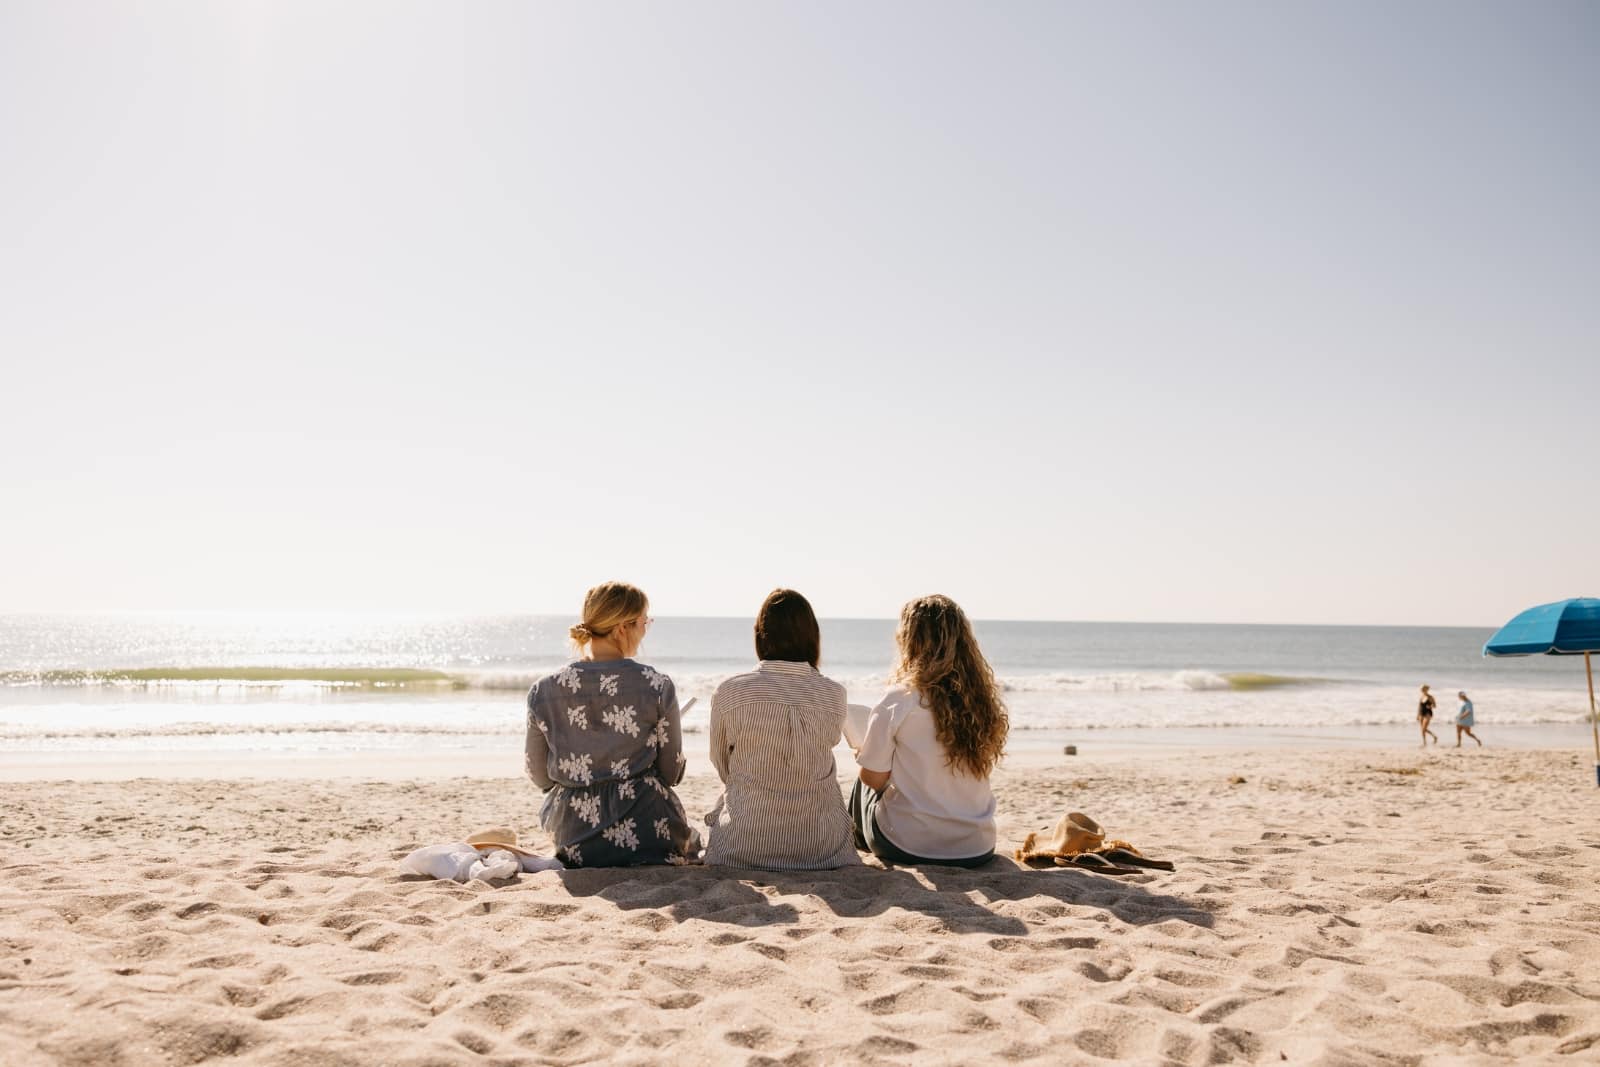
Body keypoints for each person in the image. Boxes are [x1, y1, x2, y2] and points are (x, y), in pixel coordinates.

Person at [524, 581, 701, 867]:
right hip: (647, 828)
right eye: (644, 622)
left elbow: (538, 774)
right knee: (690, 839)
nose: (646, 630)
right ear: (622, 628)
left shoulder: (543, 690)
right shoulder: (656, 685)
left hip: (573, 834)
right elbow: (670, 773)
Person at [703, 589, 859, 870]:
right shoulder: (834, 694)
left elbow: (721, 763)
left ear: (760, 635)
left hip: (742, 846)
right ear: (812, 637)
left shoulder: (729, 692)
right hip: (822, 847)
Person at [848, 594, 1008, 868]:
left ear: (910, 640)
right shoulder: (980, 702)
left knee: (862, 781)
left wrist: (865, 753)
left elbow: (874, 780)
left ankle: (856, 843)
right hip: (977, 846)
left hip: (910, 845)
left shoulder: (900, 698)